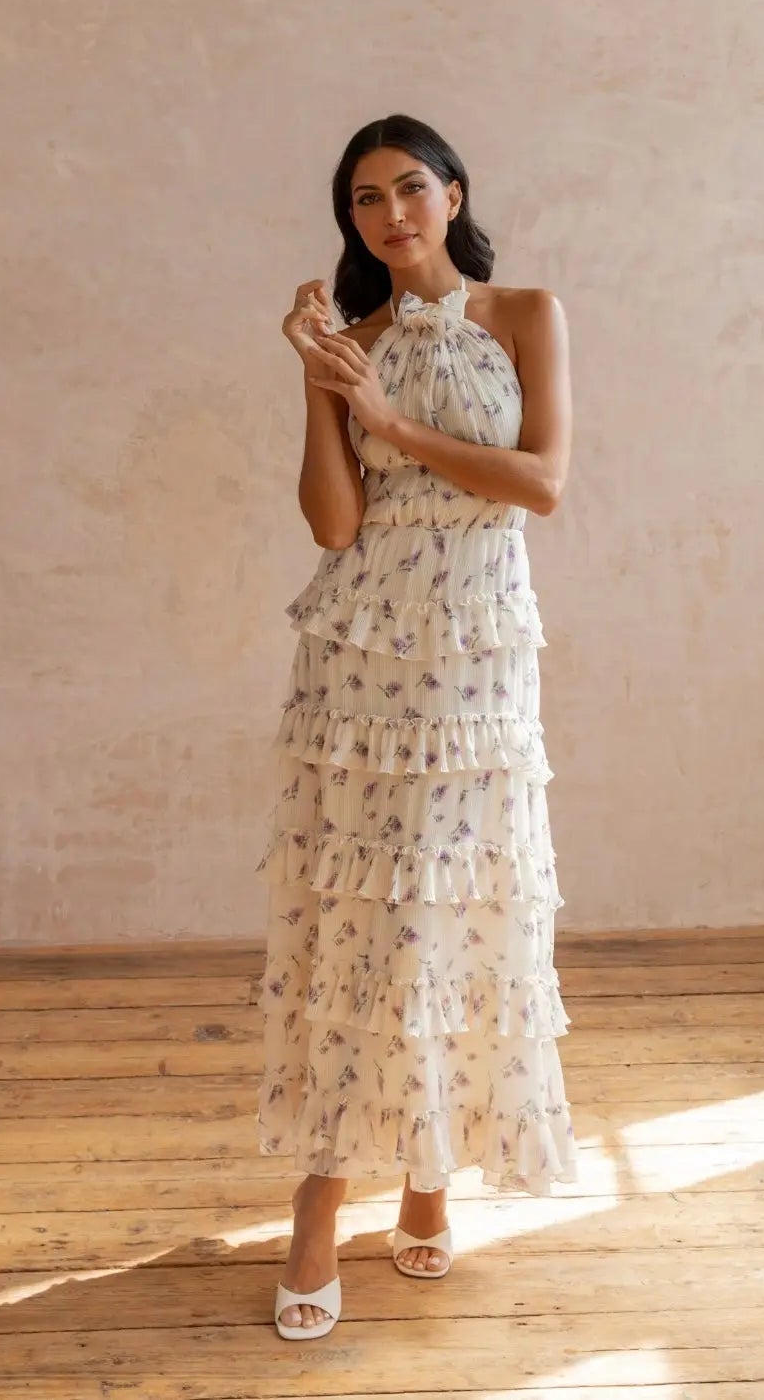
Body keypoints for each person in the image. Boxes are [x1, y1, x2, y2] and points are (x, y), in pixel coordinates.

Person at [256, 112, 578, 1341]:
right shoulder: (357, 341)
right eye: (363, 200)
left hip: (478, 653)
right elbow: (334, 526)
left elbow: (541, 484)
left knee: (458, 904)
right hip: (362, 653)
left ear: (453, 193)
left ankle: (431, 1169)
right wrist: (322, 382)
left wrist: (391, 423)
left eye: (408, 188)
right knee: (362, 916)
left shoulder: (525, 315)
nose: (389, 214)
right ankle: (319, 1201)